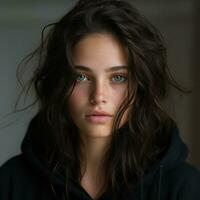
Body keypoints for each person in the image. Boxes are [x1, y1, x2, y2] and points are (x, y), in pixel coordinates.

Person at [0, 0, 200, 199]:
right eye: (81, 77)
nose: (98, 96)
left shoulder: (183, 187)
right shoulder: (12, 182)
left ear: (142, 86)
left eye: (118, 77)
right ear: (59, 84)